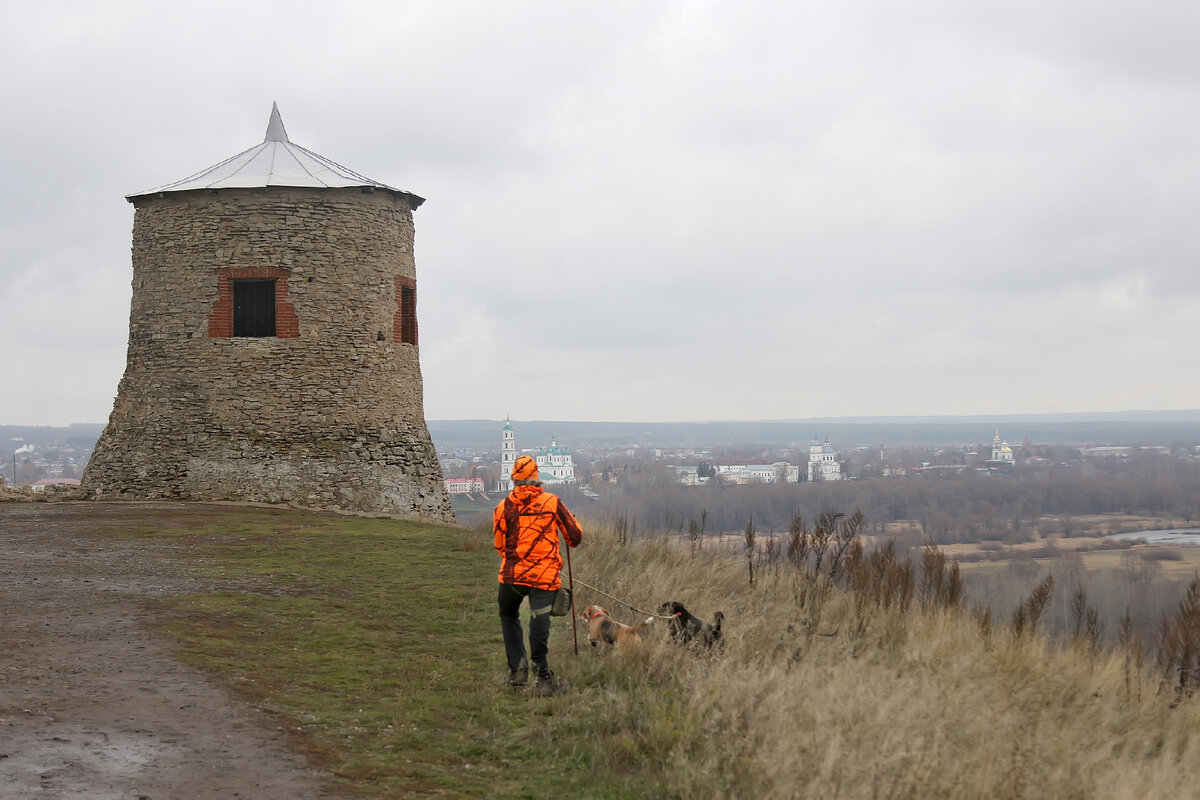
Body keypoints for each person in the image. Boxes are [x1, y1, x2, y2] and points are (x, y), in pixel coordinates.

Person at [493, 455, 583, 695]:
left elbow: (499, 545)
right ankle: (543, 679)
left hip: (512, 576)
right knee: (539, 622)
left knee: (508, 614)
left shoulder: (503, 507)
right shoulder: (551, 502)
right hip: (544, 577)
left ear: (514, 480)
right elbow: (575, 537)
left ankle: (518, 670)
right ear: (536, 478)